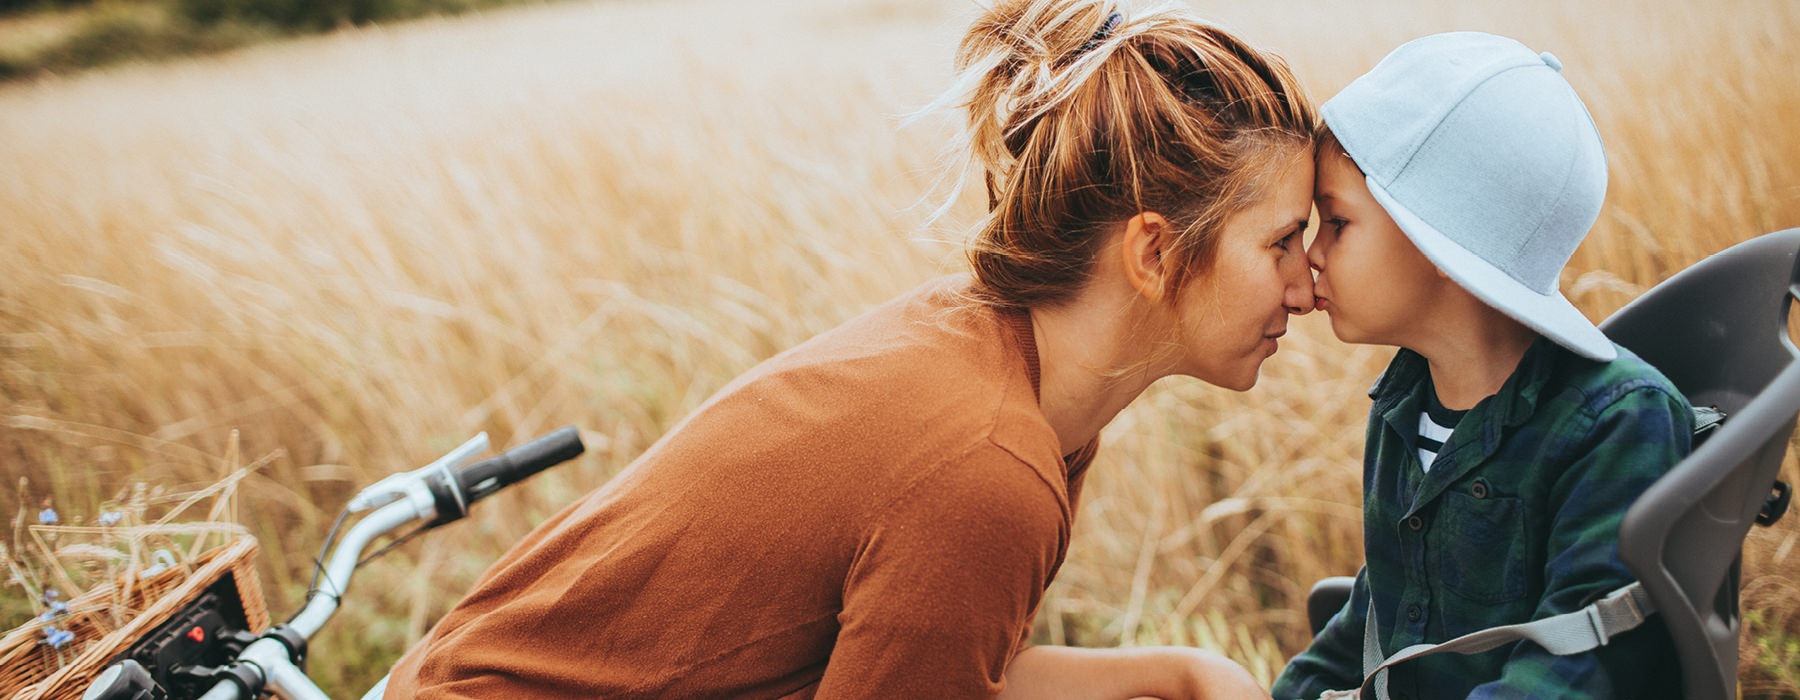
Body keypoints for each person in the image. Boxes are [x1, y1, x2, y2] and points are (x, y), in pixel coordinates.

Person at [382, 0, 1319, 697]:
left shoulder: (992, 357)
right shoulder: (986, 469)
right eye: (1280, 243)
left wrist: (1179, 673)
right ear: (1155, 252)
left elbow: (932, 660)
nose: (1306, 286)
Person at [1270, 32, 1689, 699]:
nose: (1312, 255)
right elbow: (1375, 613)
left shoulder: (1616, 425)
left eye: (1337, 223)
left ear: (1438, 234)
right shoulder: (1402, 409)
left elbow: (1587, 663)